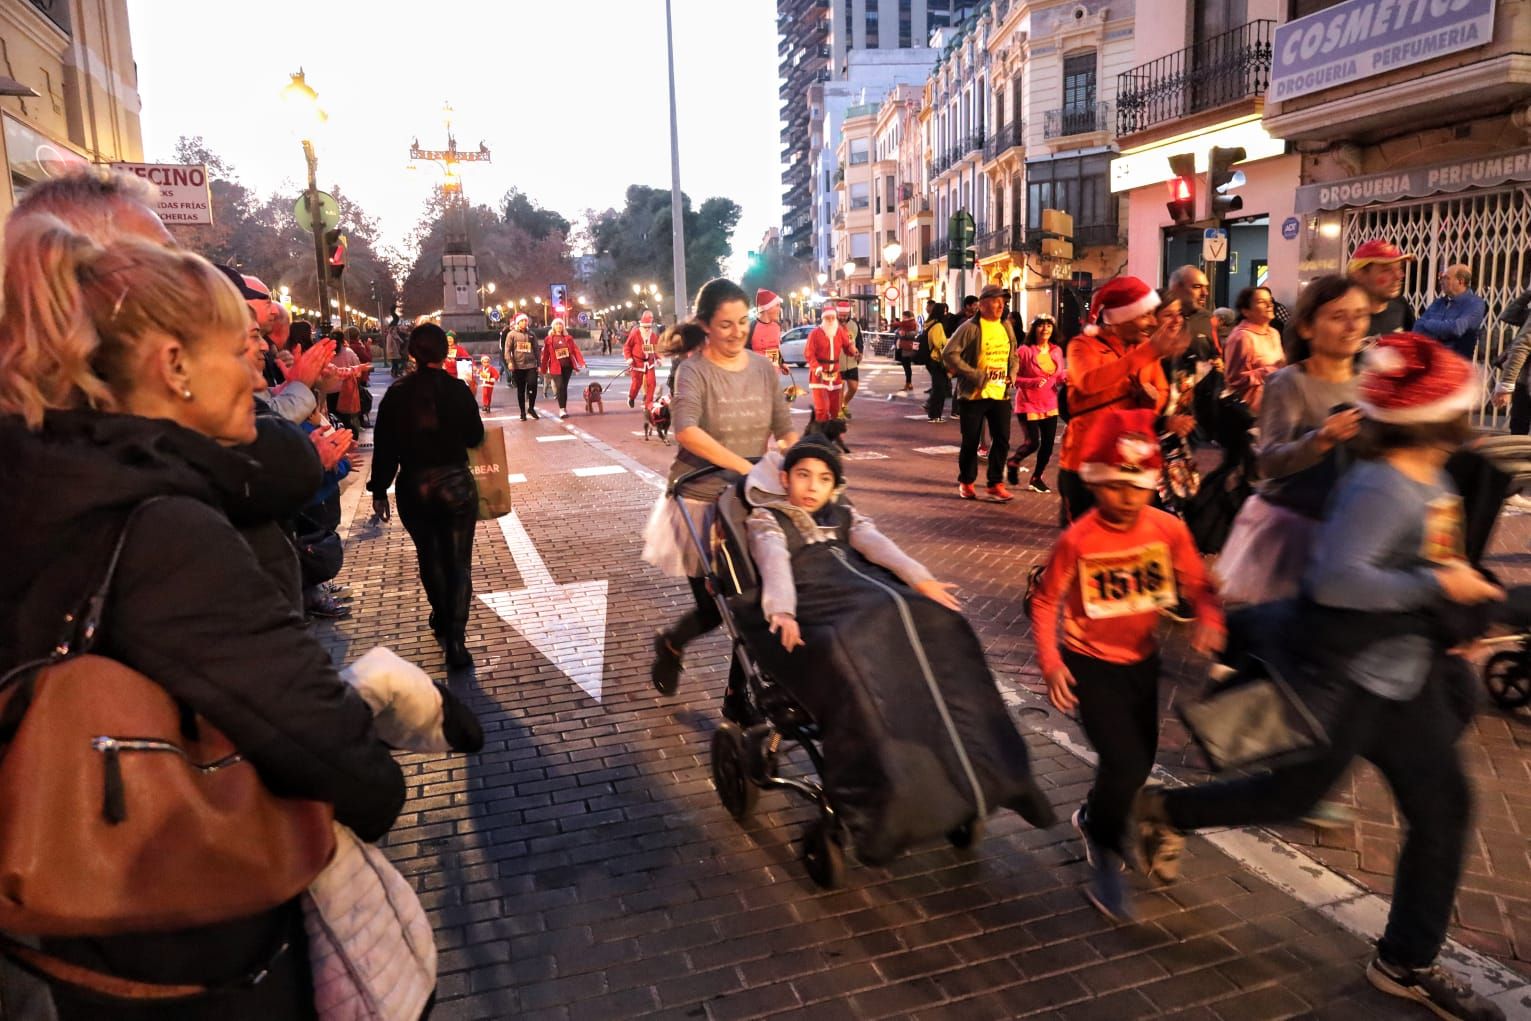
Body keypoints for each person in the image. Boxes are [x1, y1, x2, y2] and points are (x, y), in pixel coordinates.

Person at [0, 215, 405, 1020]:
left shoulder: (45, 481)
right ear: (174, 365)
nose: (254, 372)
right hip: (198, 927)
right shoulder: (164, 525)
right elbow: (313, 735)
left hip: (84, 925)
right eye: (235, 350)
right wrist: (379, 768)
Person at [1134, 334, 1507, 1021]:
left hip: (1407, 676)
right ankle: (1166, 810)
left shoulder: (1435, 475)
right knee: (1291, 793)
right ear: (1438, 413)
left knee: (1444, 810)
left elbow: (1427, 564)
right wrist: (1436, 582)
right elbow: (1338, 580)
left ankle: (1404, 958)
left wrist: (1454, 604)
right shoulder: (1382, 483)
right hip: (1349, 679)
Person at [1029, 408, 1223, 919]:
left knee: (1136, 765)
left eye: (1137, 487)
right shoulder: (1079, 538)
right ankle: (1105, 850)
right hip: (1088, 664)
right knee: (1126, 763)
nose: (1127, 498)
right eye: (1114, 487)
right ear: (1095, 485)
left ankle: (1095, 815)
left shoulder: (1166, 528)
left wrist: (1209, 616)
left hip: (1143, 662)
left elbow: (1199, 582)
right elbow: (1046, 600)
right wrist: (1051, 663)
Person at [642, 278, 799, 723]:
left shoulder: (763, 369)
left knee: (759, 598)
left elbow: (785, 428)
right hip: (702, 499)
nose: (736, 332)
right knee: (719, 608)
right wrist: (747, 466)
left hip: (754, 500)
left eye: (742, 321)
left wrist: (796, 457)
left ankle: (739, 695)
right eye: (725, 324)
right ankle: (671, 644)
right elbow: (686, 429)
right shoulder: (692, 370)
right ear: (706, 326)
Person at [1215, 275, 1369, 606]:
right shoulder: (1288, 383)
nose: (1353, 326)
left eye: (1360, 314)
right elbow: (1268, 462)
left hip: (1348, 528)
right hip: (1296, 531)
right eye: (1338, 316)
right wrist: (1322, 438)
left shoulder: (1371, 383)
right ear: (1307, 328)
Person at [746, 437, 962, 655]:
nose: (812, 487)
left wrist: (920, 580)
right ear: (785, 478)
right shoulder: (769, 518)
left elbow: (879, 545)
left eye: (824, 479)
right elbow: (773, 558)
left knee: (916, 612)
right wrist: (782, 611)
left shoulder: (844, 516)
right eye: (803, 475)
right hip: (812, 599)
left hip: (853, 592)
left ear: (833, 488)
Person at [369, 323, 486, 669]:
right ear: (445, 352)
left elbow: (385, 447)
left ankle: (440, 614)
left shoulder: (397, 393)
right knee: (459, 562)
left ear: (411, 354)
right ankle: (456, 640)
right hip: (455, 482)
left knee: (430, 556)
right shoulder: (457, 390)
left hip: (414, 484)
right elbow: (475, 436)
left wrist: (379, 488)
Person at [1057, 276, 1191, 524]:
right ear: (1121, 317)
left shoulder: (1143, 350)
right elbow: (1089, 382)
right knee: (1085, 544)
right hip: (1085, 464)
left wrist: (1153, 405)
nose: (1152, 322)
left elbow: (1160, 393)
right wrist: (1148, 353)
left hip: (1131, 465)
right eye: (1145, 315)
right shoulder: (1083, 345)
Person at [943, 283, 1017, 502]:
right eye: (996, 301)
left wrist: (1012, 372)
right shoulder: (970, 327)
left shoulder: (1006, 326)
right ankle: (966, 481)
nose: (1000, 306)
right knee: (971, 441)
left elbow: (1013, 355)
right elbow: (949, 353)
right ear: (982, 304)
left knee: (1002, 439)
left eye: (1003, 302)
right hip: (973, 395)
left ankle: (995, 484)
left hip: (999, 393)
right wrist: (974, 374)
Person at [1006, 313, 1064, 493]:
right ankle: (1014, 461)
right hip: (1028, 403)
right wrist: (1032, 382)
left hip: (1050, 403)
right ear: (1034, 329)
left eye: (1048, 325)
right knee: (1033, 443)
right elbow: (1013, 378)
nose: (1045, 328)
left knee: (1048, 446)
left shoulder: (1057, 351)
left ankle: (1036, 478)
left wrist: (1069, 377)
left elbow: (1058, 376)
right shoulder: (1025, 351)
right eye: (1041, 325)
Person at [1222, 286, 1285, 414]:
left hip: (1274, 404)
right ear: (1246, 311)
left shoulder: (1273, 333)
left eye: (1270, 301)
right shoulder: (1242, 337)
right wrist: (1270, 371)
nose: (1269, 305)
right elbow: (1234, 379)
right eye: (1261, 302)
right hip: (1252, 411)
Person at [1414, 264, 1487, 361]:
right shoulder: (1438, 303)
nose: (1441, 282)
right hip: (1430, 362)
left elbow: (1456, 329)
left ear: (1460, 281)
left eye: (1446, 278)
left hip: (1455, 366)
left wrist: (1428, 324)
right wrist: (1442, 330)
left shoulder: (1475, 303)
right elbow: (1417, 328)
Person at [1347, 238, 1416, 338]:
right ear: (1359, 275)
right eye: (1386, 270)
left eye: (1399, 268)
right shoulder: (1344, 317)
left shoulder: (1400, 305)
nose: (1399, 277)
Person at [805, 305, 852, 424]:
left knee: (835, 410)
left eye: (832, 317)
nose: (831, 320)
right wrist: (816, 367)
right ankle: (820, 437)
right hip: (819, 375)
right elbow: (809, 353)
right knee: (822, 410)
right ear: (823, 319)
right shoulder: (815, 333)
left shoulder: (839, 331)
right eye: (827, 318)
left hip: (835, 375)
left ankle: (833, 437)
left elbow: (847, 347)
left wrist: (854, 351)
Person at [539, 317, 585, 419]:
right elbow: (546, 354)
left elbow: (575, 351)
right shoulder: (549, 339)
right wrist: (542, 368)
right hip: (555, 367)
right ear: (553, 326)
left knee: (564, 387)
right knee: (559, 386)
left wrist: (581, 363)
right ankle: (561, 409)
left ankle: (564, 408)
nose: (559, 326)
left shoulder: (568, 338)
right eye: (556, 324)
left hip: (567, 366)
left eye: (560, 324)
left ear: (563, 326)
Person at [502, 312, 541, 421]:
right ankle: (522, 412)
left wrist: (539, 364)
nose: (524, 323)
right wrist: (509, 362)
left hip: (531, 365)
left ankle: (531, 408)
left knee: (533, 385)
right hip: (518, 366)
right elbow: (507, 350)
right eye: (522, 321)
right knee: (520, 389)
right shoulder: (512, 334)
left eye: (526, 321)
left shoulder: (531, 334)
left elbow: (536, 350)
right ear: (518, 322)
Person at [919, 300, 952, 423]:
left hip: (931, 359)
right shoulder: (937, 326)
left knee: (938, 387)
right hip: (937, 359)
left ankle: (932, 411)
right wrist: (947, 344)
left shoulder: (930, 324)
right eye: (944, 312)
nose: (946, 314)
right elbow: (939, 344)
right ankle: (935, 414)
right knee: (940, 388)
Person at [624, 310, 662, 411]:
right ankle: (631, 397)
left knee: (652, 383)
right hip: (637, 363)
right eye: (645, 327)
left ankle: (648, 404)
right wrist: (629, 358)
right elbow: (627, 347)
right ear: (641, 326)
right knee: (637, 383)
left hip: (649, 363)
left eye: (649, 327)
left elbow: (655, 348)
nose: (647, 329)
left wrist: (658, 358)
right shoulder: (635, 334)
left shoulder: (653, 336)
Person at [748, 289, 788, 372]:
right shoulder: (751, 328)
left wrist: (781, 363)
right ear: (767, 308)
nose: (779, 309)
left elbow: (772, 350)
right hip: (755, 376)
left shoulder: (776, 326)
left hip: (772, 377)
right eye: (777, 305)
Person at [839, 311, 864, 414]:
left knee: (853, 387)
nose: (843, 318)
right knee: (840, 387)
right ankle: (839, 411)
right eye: (841, 315)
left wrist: (860, 352)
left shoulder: (854, 324)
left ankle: (843, 404)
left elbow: (858, 339)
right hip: (838, 362)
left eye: (845, 315)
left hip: (851, 361)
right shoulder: (832, 324)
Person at [894, 309, 921, 392]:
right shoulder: (905, 324)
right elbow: (898, 331)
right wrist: (900, 332)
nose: (903, 318)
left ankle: (908, 383)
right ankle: (908, 383)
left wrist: (905, 333)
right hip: (903, 345)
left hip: (909, 346)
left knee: (907, 365)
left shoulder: (913, 323)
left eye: (904, 316)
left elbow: (915, 333)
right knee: (906, 365)